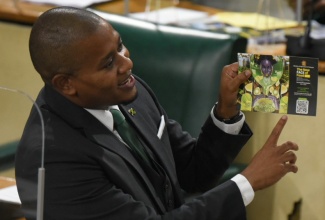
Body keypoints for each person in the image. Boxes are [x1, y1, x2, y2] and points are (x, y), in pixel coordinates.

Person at [15, 6, 299, 220]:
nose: (127, 64)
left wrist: (226, 110)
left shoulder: (127, 92)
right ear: (66, 84)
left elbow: (193, 174)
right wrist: (246, 183)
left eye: (120, 46)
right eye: (107, 63)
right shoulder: (55, 158)